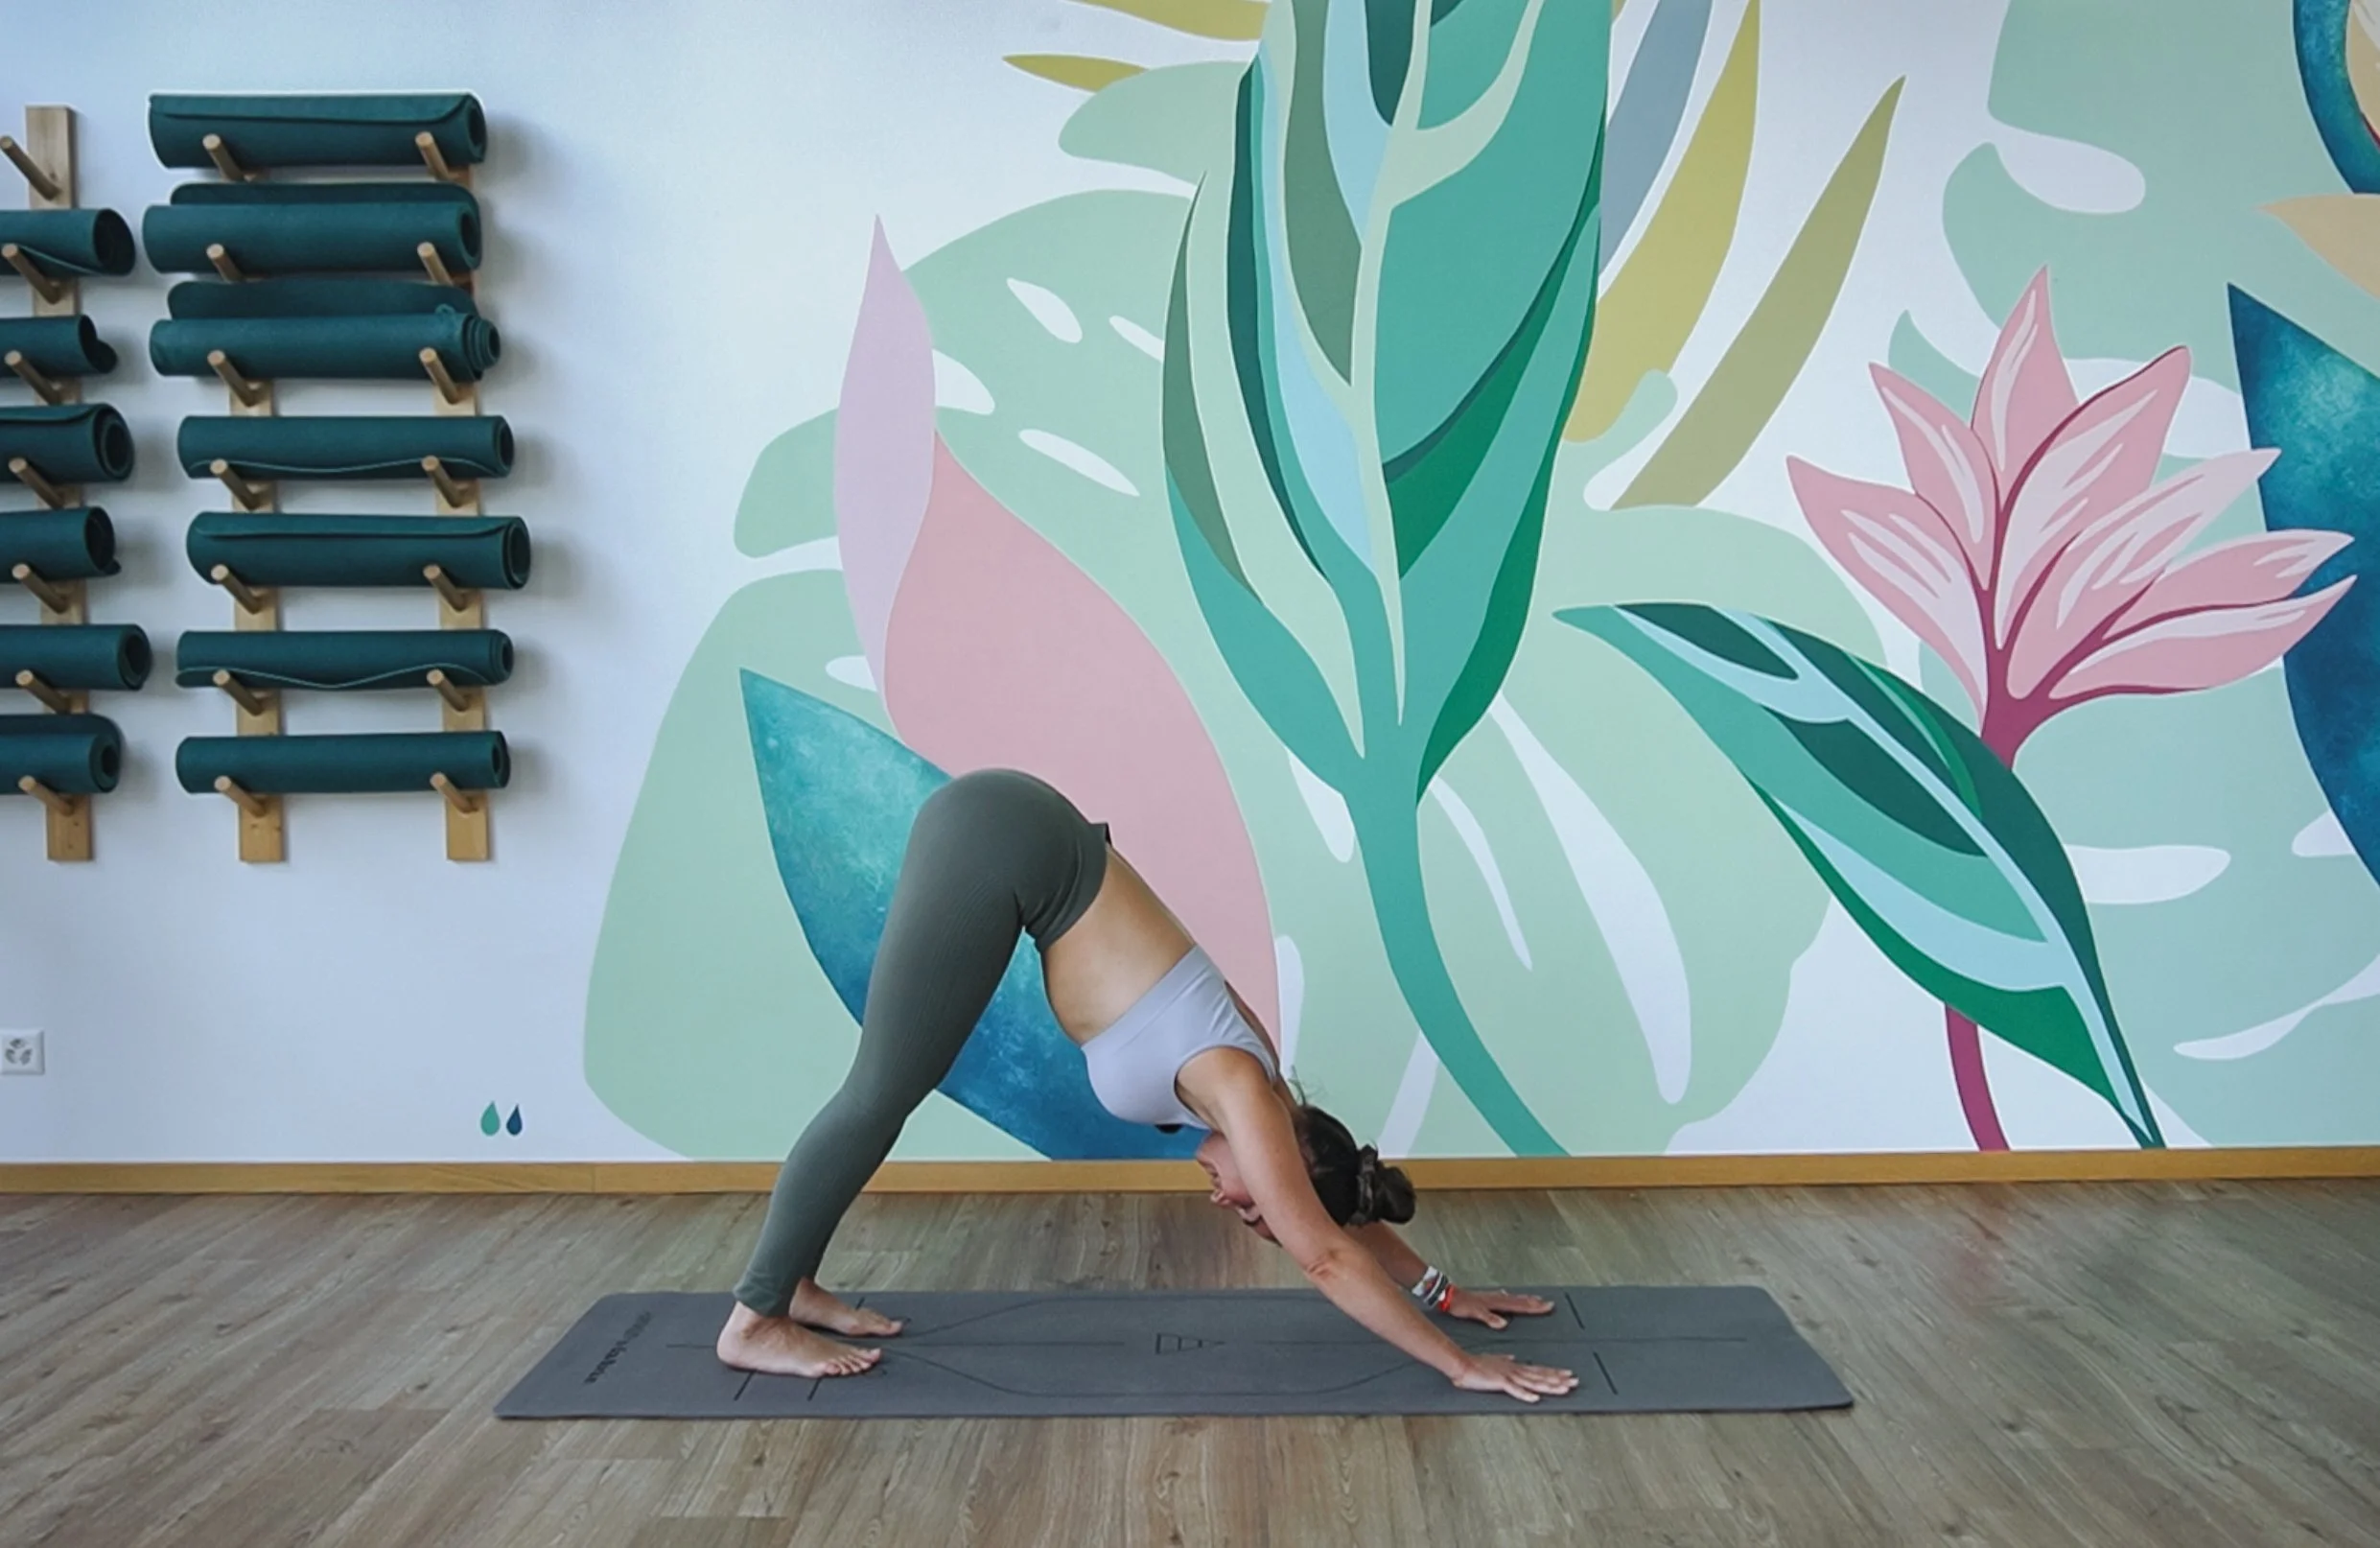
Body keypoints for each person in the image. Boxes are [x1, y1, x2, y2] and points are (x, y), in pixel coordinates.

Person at [716, 768, 1578, 1404]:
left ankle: (789, 1281)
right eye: (1252, 1205)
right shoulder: (1243, 1092)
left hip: (1020, 837)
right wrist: (1463, 1366)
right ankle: (755, 1319)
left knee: (892, 1087)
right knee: (879, 1092)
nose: (1233, 1208)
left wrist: (1444, 1291)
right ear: (1275, 1153)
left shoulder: (1270, 1096)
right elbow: (1323, 1251)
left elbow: (1326, 1215)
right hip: (1006, 841)